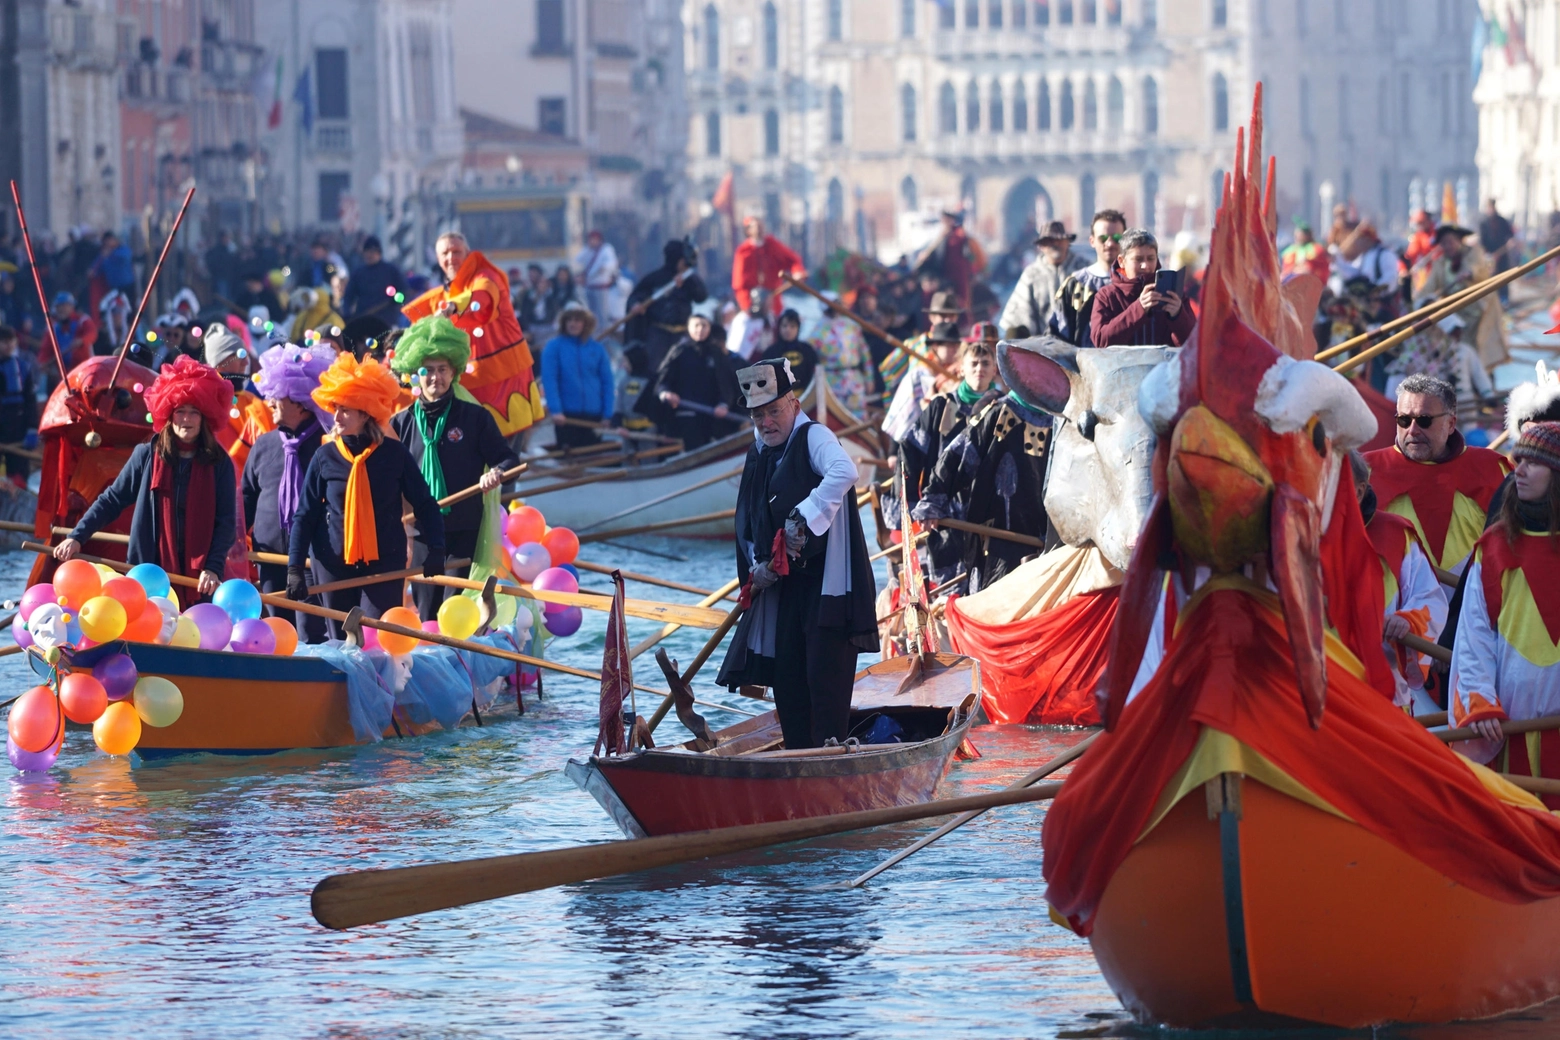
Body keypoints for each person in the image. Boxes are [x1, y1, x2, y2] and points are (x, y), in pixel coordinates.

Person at [715, 358, 878, 748]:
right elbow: (751, 517)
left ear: (794, 405)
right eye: (758, 415)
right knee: (787, 679)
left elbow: (845, 472)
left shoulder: (815, 436)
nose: (767, 422)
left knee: (824, 682)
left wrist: (801, 518)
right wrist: (760, 565)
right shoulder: (759, 452)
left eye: (774, 411)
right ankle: (797, 759)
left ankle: (831, 758)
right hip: (785, 587)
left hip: (827, 590)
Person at [55, 356, 236, 605]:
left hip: (201, 577)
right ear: (169, 416)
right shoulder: (146, 454)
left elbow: (226, 522)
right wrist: (77, 536)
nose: (186, 419)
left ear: (204, 418)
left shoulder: (220, 463)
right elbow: (112, 500)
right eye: (180, 411)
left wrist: (214, 567)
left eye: (194, 413)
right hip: (149, 572)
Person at [288, 353, 446, 634]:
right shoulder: (324, 456)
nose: (336, 417)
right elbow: (305, 515)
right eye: (335, 408)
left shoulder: (394, 454)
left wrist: (436, 549)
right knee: (341, 642)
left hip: (384, 563)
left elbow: (424, 503)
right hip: (333, 565)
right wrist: (295, 568)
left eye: (345, 409)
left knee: (378, 637)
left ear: (365, 412)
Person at [1448, 421, 1560, 806]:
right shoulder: (1495, 545)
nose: (1520, 470)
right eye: (1520, 459)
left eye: (1534, 462)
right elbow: (1473, 636)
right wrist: (1479, 703)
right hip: (1510, 727)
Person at [389, 316, 520, 620]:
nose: (435, 378)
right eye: (428, 371)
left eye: (442, 370)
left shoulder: (475, 417)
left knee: (454, 607)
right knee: (426, 612)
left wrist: (496, 472)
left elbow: (509, 459)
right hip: (421, 531)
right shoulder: (400, 423)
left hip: (463, 528)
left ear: (454, 373)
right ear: (415, 374)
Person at [910, 361, 1054, 593]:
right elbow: (959, 454)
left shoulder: (1064, 419)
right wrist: (934, 501)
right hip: (998, 533)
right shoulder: (1000, 412)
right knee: (997, 590)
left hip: (1050, 537)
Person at [1364, 373, 1510, 585]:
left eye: (1424, 420)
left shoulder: (1493, 469)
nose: (1412, 430)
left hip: (1471, 607)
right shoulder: (1365, 472)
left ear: (1451, 424)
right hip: (1390, 608)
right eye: (1404, 420)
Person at [401, 231, 545, 437]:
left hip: (503, 379)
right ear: (438, 259)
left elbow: (482, 297)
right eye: (445, 253)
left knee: (501, 455)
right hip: (469, 383)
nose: (451, 257)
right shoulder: (444, 293)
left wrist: (452, 306)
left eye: (456, 251)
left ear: (468, 253)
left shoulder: (486, 276)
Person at [244, 344, 332, 642]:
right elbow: (246, 498)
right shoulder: (264, 445)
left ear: (299, 401)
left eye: (276, 395)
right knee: (276, 635)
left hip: (313, 560)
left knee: (311, 634)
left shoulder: (328, 445)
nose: (268, 401)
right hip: (269, 558)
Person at [899, 331, 1000, 590]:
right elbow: (910, 449)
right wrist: (914, 503)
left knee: (991, 584)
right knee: (949, 587)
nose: (979, 369)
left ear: (995, 368)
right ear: (962, 368)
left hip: (990, 516)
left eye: (986, 363)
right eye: (974, 363)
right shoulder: (941, 407)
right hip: (945, 516)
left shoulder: (1004, 408)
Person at [1351, 451, 1447, 712]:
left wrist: (1407, 621)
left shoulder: (1395, 534)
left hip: (1384, 696)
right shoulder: (1291, 532)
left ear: (1358, 492)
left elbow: (1431, 600)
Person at [636, 311, 740, 451]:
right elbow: (662, 381)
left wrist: (724, 404)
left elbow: (727, 384)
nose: (700, 329)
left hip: (712, 416)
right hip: (686, 413)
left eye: (704, 326)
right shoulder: (679, 351)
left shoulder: (717, 354)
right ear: (688, 328)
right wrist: (665, 393)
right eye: (696, 325)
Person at [1089, 228, 1196, 348]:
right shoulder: (1107, 296)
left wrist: (1178, 315)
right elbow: (1101, 341)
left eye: (1150, 259)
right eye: (1138, 259)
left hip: (1164, 366)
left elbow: (1192, 344)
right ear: (1121, 261)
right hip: (1121, 366)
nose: (1145, 266)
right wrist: (1139, 308)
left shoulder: (1173, 293)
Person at [623, 239, 707, 373]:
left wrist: (689, 281)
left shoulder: (689, 278)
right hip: (659, 334)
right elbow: (637, 296)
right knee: (657, 369)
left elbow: (701, 296)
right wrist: (636, 304)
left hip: (682, 332)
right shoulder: (655, 278)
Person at [540, 303, 617, 449]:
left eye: (577, 320)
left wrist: (608, 414)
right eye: (569, 320)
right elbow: (550, 381)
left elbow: (607, 383)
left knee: (593, 457)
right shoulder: (553, 348)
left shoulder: (597, 349)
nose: (573, 324)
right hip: (566, 417)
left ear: (585, 323)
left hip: (594, 417)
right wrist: (556, 410)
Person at [1051, 209, 1127, 348]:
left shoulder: (1137, 284)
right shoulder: (1074, 285)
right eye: (1103, 238)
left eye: (1116, 238)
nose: (1110, 243)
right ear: (1092, 241)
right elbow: (1057, 336)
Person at [1000, 220, 1087, 340]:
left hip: (1080, 346)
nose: (1055, 244)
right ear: (1041, 246)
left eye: (1060, 240)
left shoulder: (1084, 271)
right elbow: (1018, 319)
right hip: (1041, 348)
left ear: (1068, 242)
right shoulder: (1032, 274)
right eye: (1049, 241)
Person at [202, 322, 272, 470]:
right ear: (223, 359)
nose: (246, 362)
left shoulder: (250, 399)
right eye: (240, 355)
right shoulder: (207, 402)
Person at [883, 316, 962, 445]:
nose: (955, 350)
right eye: (950, 345)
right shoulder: (919, 375)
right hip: (916, 439)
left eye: (956, 345)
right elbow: (902, 413)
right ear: (936, 346)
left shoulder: (959, 372)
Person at [916, 210, 987, 317]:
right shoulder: (940, 236)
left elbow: (973, 256)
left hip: (960, 276)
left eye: (947, 220)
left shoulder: (960, 236)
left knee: (961, 303)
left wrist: (974, 272)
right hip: (943, 276)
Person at [732, 216, 805, 317]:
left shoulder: (772, 245)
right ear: (748, 230)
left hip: (773, 298)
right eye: (756, 226)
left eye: (761, 225)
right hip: (752, 301)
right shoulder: (743, 252)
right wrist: (747, 306)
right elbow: (739, 284)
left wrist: (797, 272)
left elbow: (793, 260)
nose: (759, 229)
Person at [0, 326, 38, 487]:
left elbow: (30, 400)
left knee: (19, 476)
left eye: (12, 341)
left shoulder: (23, 367)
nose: (9, 345)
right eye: (4, 342)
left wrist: (32, 429)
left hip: (18, 427)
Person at [342, 236, 407, 322]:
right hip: (364, 319)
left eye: (372, 252)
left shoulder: (391, 271)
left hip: (387, 319)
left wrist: (395, 299)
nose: (369, 255)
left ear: (379, 253)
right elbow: (348, 296)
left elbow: (403, 291)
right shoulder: (358, 273)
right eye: (367, 251)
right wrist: (347, 313)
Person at [760, 309, 819, 392]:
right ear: (779, 327)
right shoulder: (770, 353)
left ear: (798, 328)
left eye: (792, 326)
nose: (788, 329)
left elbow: (816, 375)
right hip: (780, 397)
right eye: (784, 326)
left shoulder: (808, 351)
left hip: (805, 395)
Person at [575, 229, 619, 326]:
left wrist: (604, 268)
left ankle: (604, 334)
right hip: (589, 285)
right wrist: (588, 249)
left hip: (601, 286)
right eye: (590, 239)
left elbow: (612, 263)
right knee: (591, 313)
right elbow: (578, 259)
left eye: (594, 239)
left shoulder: (606, 249)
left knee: (602, 313)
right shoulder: (588, 250)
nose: (592, 241)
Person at [1479, 198, 1517, 304]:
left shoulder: (1502, 221)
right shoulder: (1483, 223)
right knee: (1491, 279)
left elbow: (1510, 235)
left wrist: (1510, 242)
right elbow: (1482, 242)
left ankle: (1504, 301)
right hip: (1490, 257)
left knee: (1504, 278)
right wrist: (1488, 255)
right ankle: (1491, 301)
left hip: (1502, 255)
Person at [50, 292, 98, 372]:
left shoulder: (82, 320)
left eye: (65, 306)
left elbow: (92, 334)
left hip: (85, 369)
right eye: (59, 306)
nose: (62, 309)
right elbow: (46, 350)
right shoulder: (53, 328)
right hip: (64, 373)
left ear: (72, 306)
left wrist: (82, 340)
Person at [726, 286, 774, 363]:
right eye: (767, 302)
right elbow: (737, 348)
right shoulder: (744, 320)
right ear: (759, 302)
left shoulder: (767, 319)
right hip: (744, 363)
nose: (770, 306)